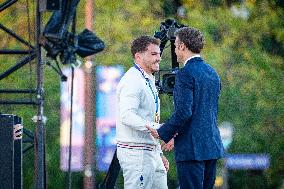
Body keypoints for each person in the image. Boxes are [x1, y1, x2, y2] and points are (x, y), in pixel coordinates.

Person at [147, 27, 225, 189]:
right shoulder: (212, 73)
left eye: (175, 46)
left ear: (182, 46)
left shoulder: (185, 74)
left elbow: (184, 112)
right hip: (211, 146)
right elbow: (201, 112)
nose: (175, 51)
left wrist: (163, 132)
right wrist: (175, 135)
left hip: (191, 149)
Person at [116, 35, 169, 189]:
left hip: (150, 151)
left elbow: (149, 117)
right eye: (153, 54)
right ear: (138, 56)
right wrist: (158, 128)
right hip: (136, 153)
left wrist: (158, 151)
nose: (158, 58)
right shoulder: (132, 80)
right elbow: (126, 115)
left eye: (159, 54)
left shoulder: (148, 80)